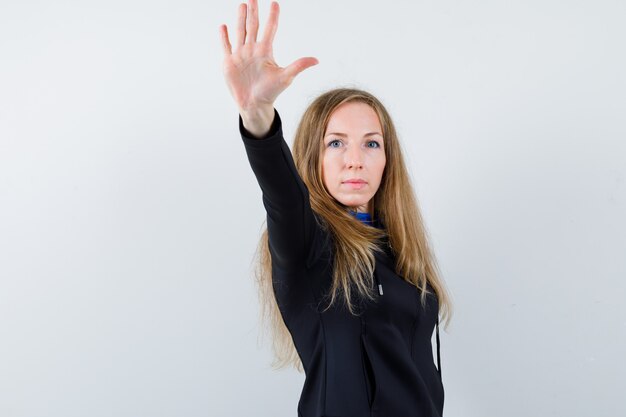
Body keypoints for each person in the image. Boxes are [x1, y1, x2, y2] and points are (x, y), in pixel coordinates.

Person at [219, 1, 453, 416]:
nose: (354, 159)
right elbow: (283, 198)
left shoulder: (403, 256)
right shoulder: (310, 248)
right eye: (336, 142)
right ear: (314, 157)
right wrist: (257, 118)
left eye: (371, 143)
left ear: (387, 159)